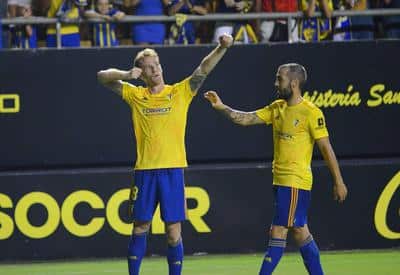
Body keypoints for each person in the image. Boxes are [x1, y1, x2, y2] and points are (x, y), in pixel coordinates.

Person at [97, 33, 233, 275]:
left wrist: (222, 48)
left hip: (172, 170)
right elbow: (102, 77)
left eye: (157, 65)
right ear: (142, 73)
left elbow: (203, 69)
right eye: (148, 68)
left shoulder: (180, 92)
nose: (155, 70)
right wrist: (127, 75)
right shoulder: (135, 95)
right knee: (140, 227)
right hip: (145, 171)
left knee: (173, 231)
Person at [204, 63, 348, 275]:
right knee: (300, 233)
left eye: (279, 79)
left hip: (295, 181)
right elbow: (245, 119)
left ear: (294, 83)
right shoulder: (277, 108)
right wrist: (221, 106)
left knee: (278, 230)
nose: (275, 83)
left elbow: (326, 148)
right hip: (280, 182)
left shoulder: (310, 112)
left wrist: (339, 181)